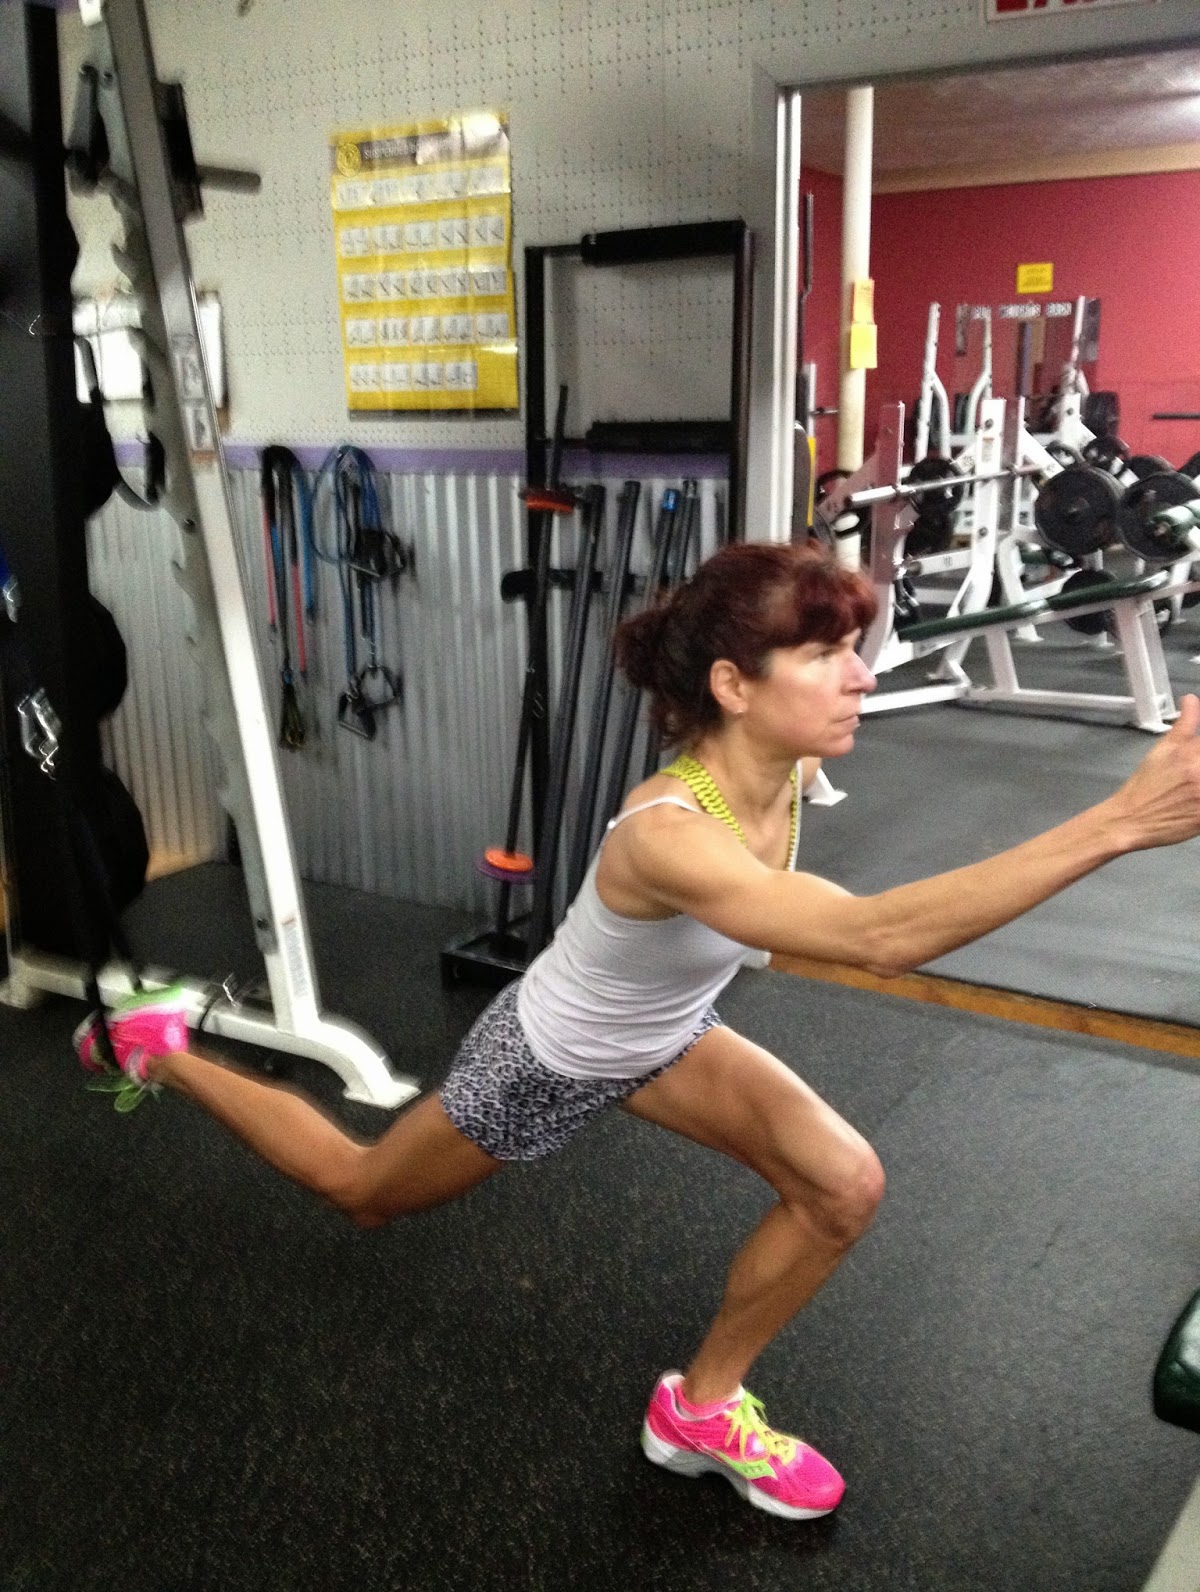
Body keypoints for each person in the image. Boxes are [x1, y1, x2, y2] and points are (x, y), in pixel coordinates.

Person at [74, 541, 1200, 1522]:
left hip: (667, 1034)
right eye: (826, 655)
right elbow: (880, 937)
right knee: (361, 1190)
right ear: (734, 686)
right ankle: (164, 1048)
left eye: (853, 648)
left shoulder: (794, 759)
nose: (863, 675)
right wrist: (1116, 821)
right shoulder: (667, 834)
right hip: (547, 1060)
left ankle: (700, 1409)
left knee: (842, 1185)